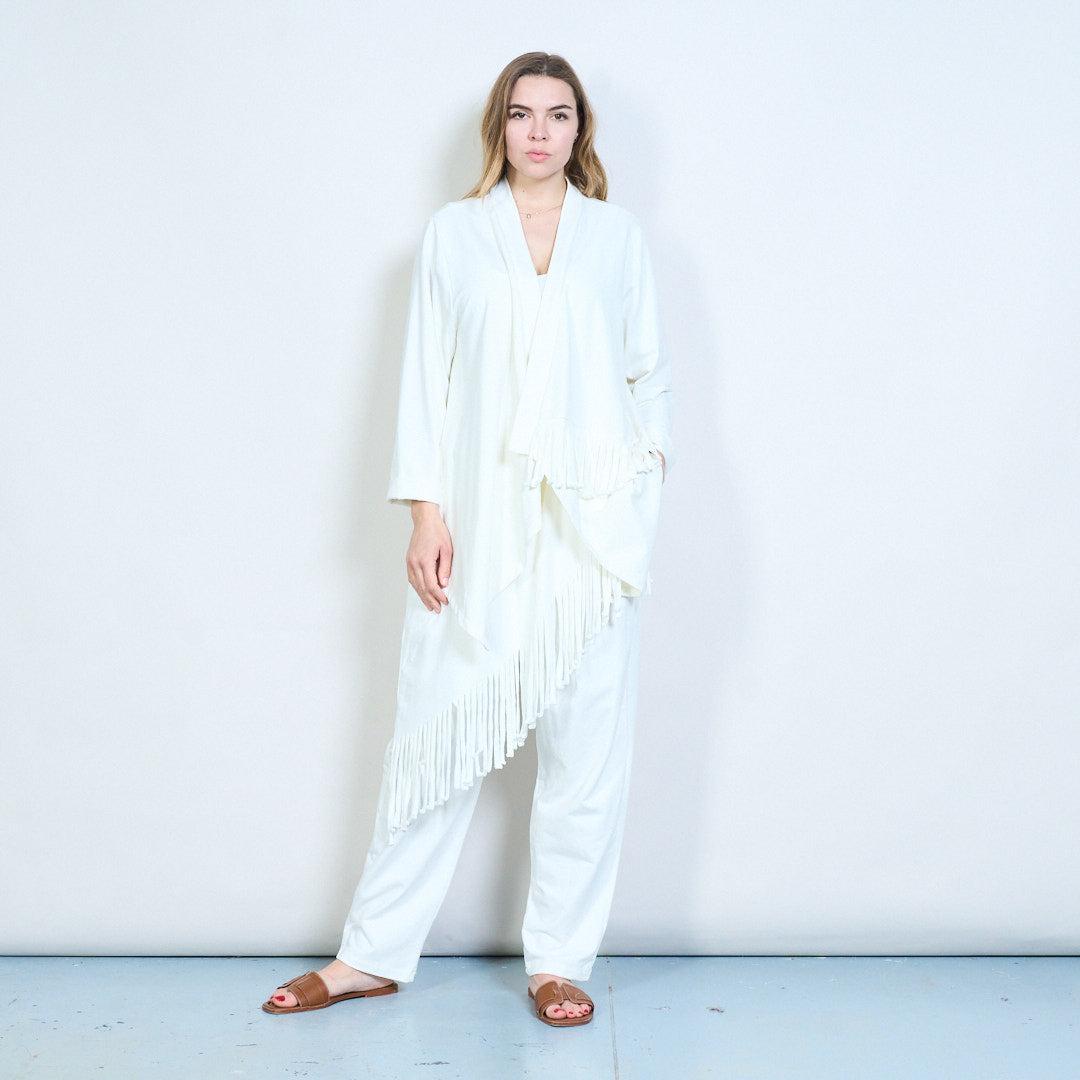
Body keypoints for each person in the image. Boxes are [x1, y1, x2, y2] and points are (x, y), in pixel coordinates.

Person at [262, 51, 673, 1028]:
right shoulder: (455, 234)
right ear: (500, 127)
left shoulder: (616, 239)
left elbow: (647, 374)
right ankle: (370, 954)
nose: (540, 131)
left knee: (587, 754)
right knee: (437, 735)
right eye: (523, 114)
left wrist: (640, 480)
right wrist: (426, 511)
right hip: (482, 526)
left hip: (592, 536)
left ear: (580, 131)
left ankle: (560, 962)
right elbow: (426, 377)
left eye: (559, 114)